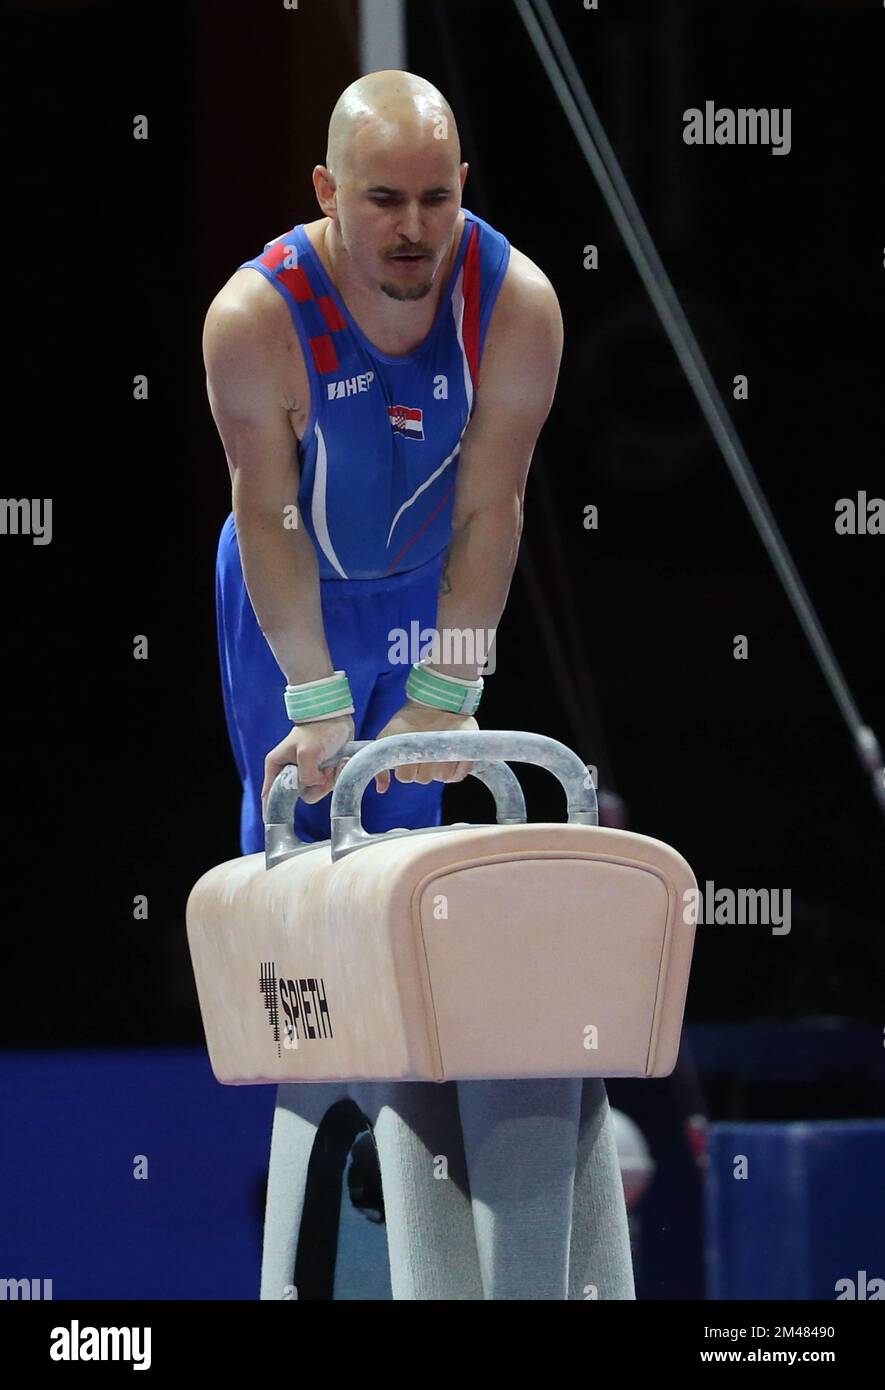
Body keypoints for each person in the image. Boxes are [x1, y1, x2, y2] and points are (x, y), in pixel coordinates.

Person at [204, 68, 634, 1299]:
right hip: (286, 587)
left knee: (409, 873)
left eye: (436, 200)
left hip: (426, 589)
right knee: (303, 870)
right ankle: (323, 1145)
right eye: (383, 199)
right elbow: (271, 511)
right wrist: (317, 702)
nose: (411, 229)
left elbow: (492, 506)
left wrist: (447, 696)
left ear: (463, 192)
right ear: (328, 192)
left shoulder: (520, 307)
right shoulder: (255, 317)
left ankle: (418, 1179)